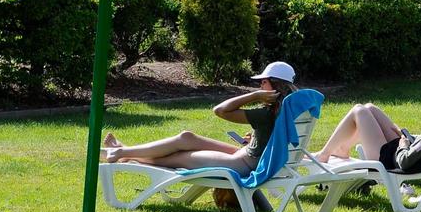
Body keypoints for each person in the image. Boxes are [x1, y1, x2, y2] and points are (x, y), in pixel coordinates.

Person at [102, 61, 299, 171]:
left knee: (181, 157)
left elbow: (220, 110)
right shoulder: (287, 110)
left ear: (274, 85)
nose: (260, 86)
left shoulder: (266, 114)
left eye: (263, 83)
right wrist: (255, 138)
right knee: (186, 137)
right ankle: (124, 151)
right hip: (248, 155)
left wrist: (253, 96)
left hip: (244, 164)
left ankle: (122, 154)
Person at [315, 93, 421, 172]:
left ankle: (325, 153)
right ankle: (342, 148)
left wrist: (403, 144)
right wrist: (409, 138)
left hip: (387, 160)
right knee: (369, 108)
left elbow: (404, 162)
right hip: (398, 149)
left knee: (359, 110)